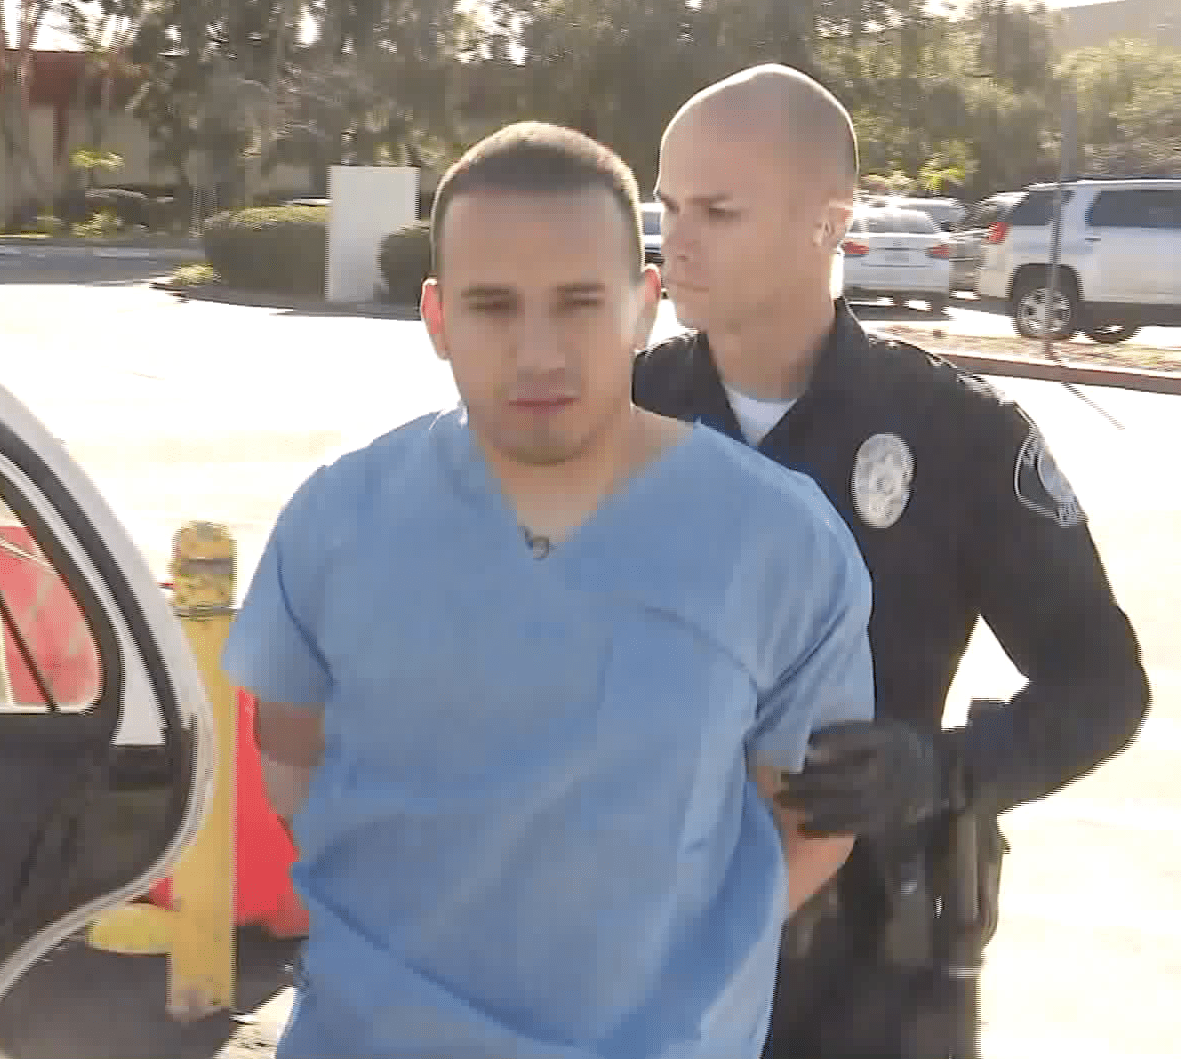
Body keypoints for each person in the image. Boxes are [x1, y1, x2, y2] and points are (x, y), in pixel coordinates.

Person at [223, 121, 875, 1059]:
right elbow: (290, 765)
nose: (539, 353)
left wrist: (659, 966)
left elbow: (806, 822)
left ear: (645, 308)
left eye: (579, 303)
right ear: (437, 319)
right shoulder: (337, 523)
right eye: (494, 306)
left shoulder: (778, 545)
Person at [636, 63, 1151, 1058]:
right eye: (667, 205)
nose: (677, 239)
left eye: (717, 209)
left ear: (828, 220)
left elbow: (1102, 682)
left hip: (864, 973)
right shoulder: (624, 417)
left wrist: (945, 771)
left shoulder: (956, 436)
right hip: (642, 944)